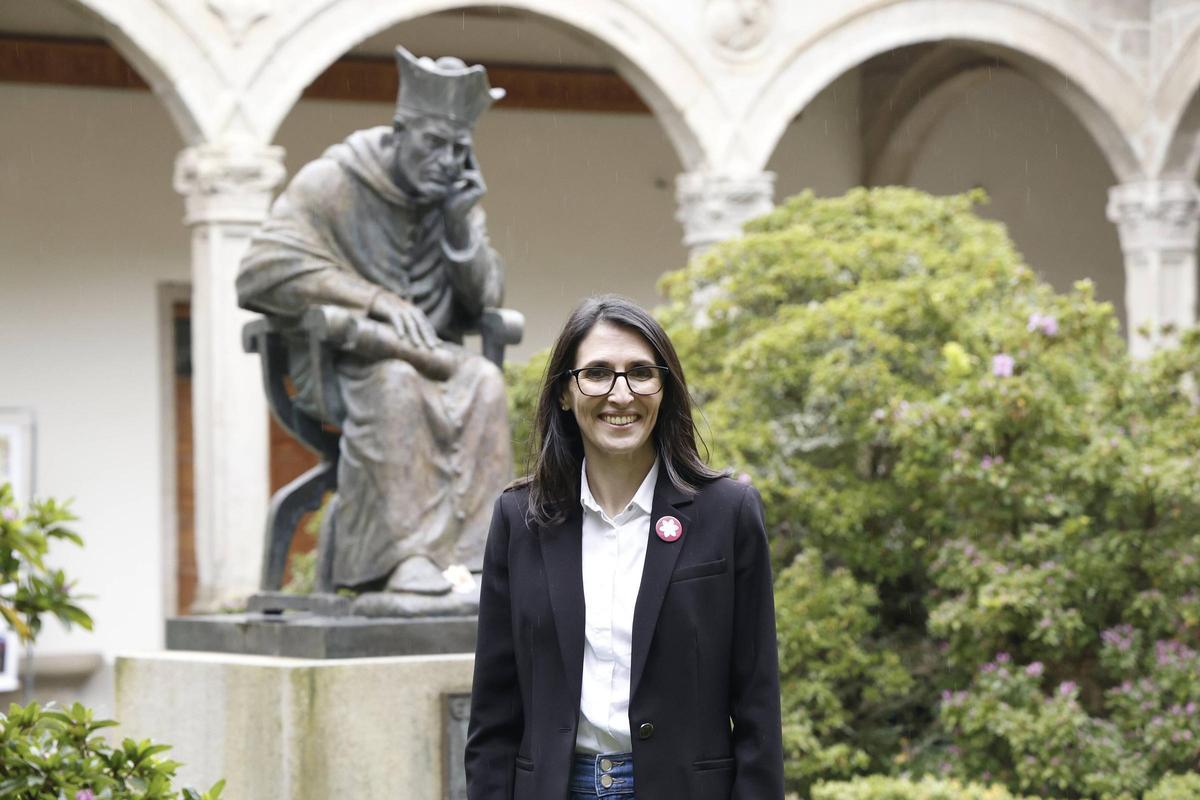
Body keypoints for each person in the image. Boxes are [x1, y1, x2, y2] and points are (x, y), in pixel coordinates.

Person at [465, 295, 784, 799]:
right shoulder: (521, 519)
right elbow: (493, 713)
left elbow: (757, 707)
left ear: (665, 389)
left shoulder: (727, 513)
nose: (621, 394)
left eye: (641, 372)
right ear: (566, 394)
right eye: (596, 373)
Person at [237, 48, 512, 597]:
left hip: (437, 358)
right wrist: (372, 298)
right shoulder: (331, 181)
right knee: (396, 382)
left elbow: (484, 296)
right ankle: (402, 560)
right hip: (343, 364)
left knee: (484, 379)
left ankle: (482, 562)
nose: (445, 162)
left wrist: (459, 228)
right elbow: (259, 272)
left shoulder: (453, 201)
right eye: (433, 144)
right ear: (401, 131)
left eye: (458, 151)